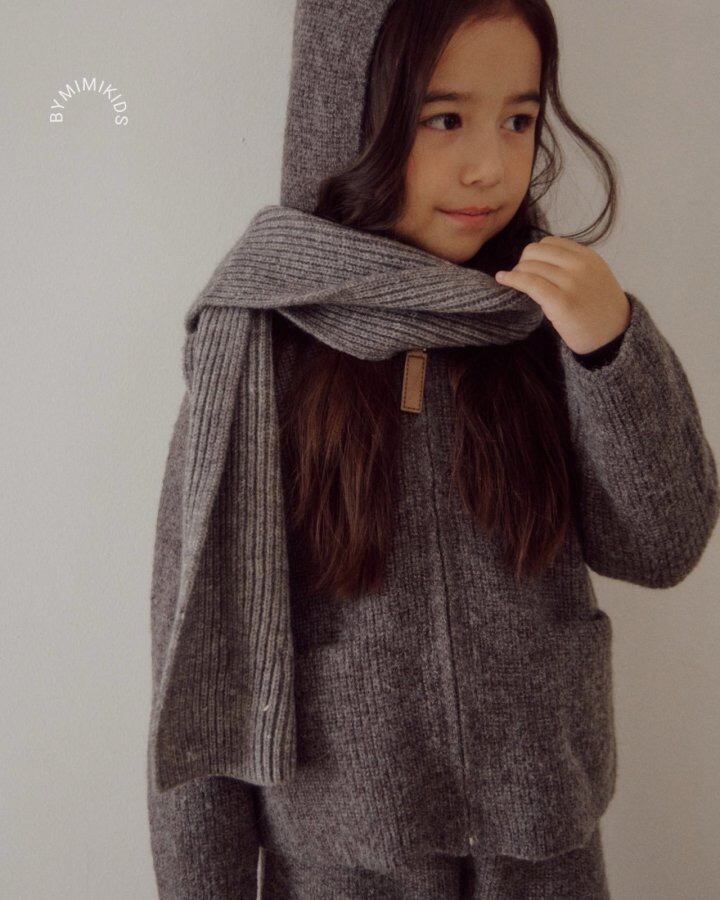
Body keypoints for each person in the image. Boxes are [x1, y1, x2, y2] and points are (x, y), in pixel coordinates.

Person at [146, 1, 719, 897]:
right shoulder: (257, 353)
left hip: (545, 850)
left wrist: (609, 348)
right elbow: (199, 672)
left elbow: (663, 544)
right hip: (343, 860)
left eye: (519, 119)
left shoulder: (546, 318)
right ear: (348, 118)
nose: (490, 165)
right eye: (443, 118)